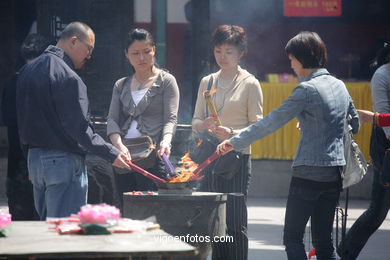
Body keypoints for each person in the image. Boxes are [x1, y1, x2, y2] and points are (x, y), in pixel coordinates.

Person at [217, 31, 359, 260]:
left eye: (292, 59)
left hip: (308, 174)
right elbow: (355, 124)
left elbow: (271, 122)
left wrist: (234, 141)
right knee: (325, 242)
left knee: (293, 238)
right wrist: (320, 127)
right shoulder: (339, 85)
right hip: (335, 172)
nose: (291, 65)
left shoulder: (306, 90)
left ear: (302, 58)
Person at [16, 22, 130, 220]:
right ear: (74, 41)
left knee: (47, 229)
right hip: (62, 162)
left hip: (35, 161)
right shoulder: (68, 77)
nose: (89, 56)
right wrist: (111, 153)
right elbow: (79, 129)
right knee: (64, 232)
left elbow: (22, 121)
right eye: (89, 48)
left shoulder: (27, 72)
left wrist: (28, 157)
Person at [192, 24, 263, 260]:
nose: (222, 57)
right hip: (210, 158)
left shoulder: (250, 83)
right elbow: (195, 120)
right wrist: (204, 126)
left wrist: (231, 132)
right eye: (218, 51)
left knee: (234, 223)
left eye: (229, 51)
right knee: (213, 223)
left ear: (241, 53)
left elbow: (258, 126)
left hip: (237, 159)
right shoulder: (207, 81)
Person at [107, 28, 179, 200]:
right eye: (135, 53)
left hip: (153, 156)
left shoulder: (166, 81)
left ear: (154, 50)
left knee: (150, 213)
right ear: (126, 55)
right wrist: (119, 146)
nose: (142, 58)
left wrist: (166, 141)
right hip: (125, 156)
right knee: (127, 210)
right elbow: (112, 119)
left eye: (146, 52)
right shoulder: (121, 84)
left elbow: (171, 118)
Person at [337, 32, 390, 260]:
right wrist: (378, 120)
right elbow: (384, 121)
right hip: (386, 149)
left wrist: (377, 118)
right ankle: (345, 253)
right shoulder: (382, 75)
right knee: (377, 212)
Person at [1, 34, 53, 220]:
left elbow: (8, 121)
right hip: (40, 162)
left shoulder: (12, 82)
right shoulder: (46, 80)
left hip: (17, 166)